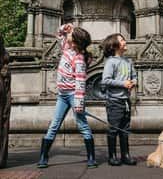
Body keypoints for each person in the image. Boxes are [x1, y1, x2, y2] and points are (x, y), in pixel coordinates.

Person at [38, 24, 97, 169]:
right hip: (62, 95)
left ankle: (91, 157)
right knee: (54, 124)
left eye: (71, 34)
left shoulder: (78, 58)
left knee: (82, 124)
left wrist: (78, 102)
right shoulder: (66, 49)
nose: (68, 35)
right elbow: (59, 32)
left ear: (75, 41)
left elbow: (80, 81)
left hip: (73, 95)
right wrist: (68, 27)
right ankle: (43, 156)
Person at [101, 33, 137, 166]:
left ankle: (125, 155)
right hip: (114, 101)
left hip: (126, 101)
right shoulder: (111, 62)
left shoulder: (128, 61)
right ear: (115, 45)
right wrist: (123, 84)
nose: (125, 41)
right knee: (114, 129)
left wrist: (133, 82)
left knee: (125, 129)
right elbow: (106, 80)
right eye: (122, 40)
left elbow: (134, 76)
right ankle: (112, 156)